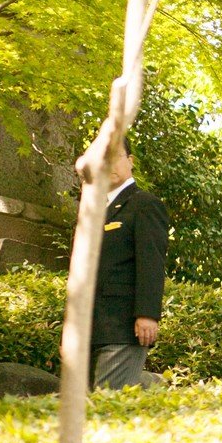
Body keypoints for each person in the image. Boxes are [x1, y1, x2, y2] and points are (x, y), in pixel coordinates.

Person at [91, 136, 169, 390]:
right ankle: (156, 389)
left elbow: (151, 263)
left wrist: (147, 314)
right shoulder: (91, 212)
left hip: (122, 327)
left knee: (106, 402)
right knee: (88, 402)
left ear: (131, 161)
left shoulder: (144, 204)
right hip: (89, 331)